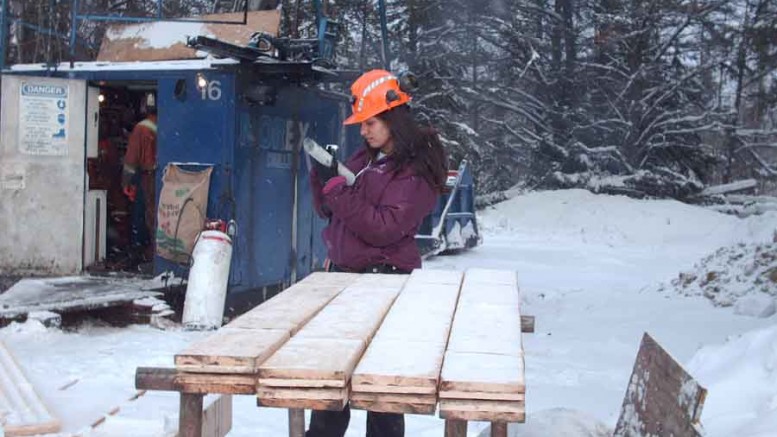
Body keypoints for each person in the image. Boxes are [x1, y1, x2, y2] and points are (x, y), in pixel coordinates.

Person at [307, 70, 448, 437]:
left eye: (370, 123)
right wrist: (322, 179)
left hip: (384, 284)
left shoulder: (415, 171)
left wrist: (338, 191)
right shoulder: (366, 158)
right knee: (329, 385)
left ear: (393, 119)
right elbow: (330, 210)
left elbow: (384, 229)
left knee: (379, 391)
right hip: (345, 281)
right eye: (361, 124)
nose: (364, 131)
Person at [122, 92, 158, 262]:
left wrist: (126, 181)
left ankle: (142, 250)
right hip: (161, 177)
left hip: (146, 177)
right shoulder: (164, 126)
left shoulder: (141, 128)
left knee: (142, 215)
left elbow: (131, 160)